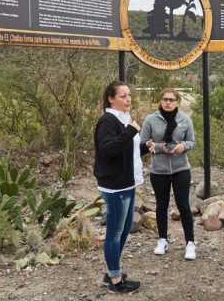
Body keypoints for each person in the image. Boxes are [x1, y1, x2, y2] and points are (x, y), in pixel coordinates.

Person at [93, 81, 144, 293]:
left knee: (122, 232)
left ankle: (112, 271)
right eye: (123, 96)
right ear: (110, 98)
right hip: (115, 187)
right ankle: (114, 280)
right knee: (115, 233)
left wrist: (144, 148)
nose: (128, 99)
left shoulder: (123, 119)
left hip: (127, 183)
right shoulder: (107, 121)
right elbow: (108, 150)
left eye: (129, 95)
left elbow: (124, 151)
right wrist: (131, 131)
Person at [140, 88, 197, 261]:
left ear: (177, 102)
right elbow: (143, 142)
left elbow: (192, 142)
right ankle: (162, 240)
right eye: (165, 99)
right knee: (161, 205)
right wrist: (157, 147)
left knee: (184, 206)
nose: (168, 102)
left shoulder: (185, 119)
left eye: (172, 99)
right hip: (159, 169)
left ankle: (190, 243)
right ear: (161, 100)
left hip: (181, 168)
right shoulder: (151, 119)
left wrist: (183, 146)